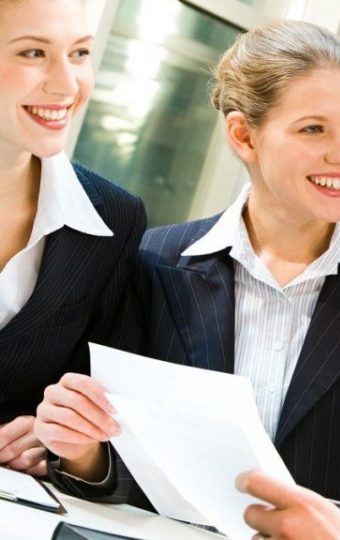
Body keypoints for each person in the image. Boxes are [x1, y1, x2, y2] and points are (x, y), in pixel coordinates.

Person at [34, 21, 340, 539]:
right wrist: (81, 450)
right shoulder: (154, 260)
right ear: (243, 135)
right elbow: (122, 468)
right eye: (313, 129)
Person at [0, 0, 145, 477]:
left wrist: (55, 441)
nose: (67, 85)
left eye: (79, 53)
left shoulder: (113, 221)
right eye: (33, 54)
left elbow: (105, 431)